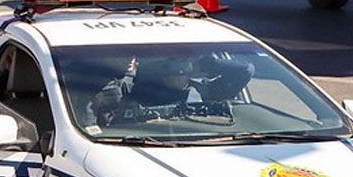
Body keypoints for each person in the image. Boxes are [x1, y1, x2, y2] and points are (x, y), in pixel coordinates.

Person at [84, 54, 253, 128]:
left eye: (185, 65)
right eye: (173, 66)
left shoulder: (202, 91)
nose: (181, 72)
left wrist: (204, 64)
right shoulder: (130, 90)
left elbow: (245, 70)